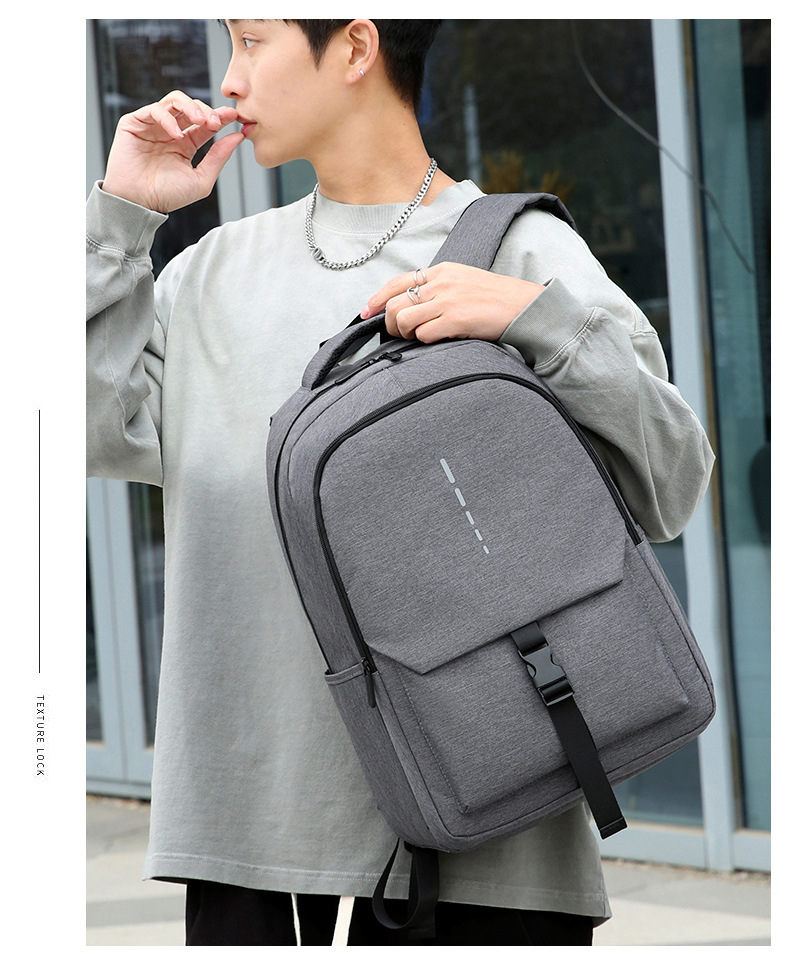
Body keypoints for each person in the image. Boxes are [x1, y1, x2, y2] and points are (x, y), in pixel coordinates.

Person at [86, 19, 715, 947]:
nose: (229, 79)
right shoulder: (208, 274)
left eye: (252, 41)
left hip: (484, 849)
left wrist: (538, 322)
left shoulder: (519, 253)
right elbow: (87, 432)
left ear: (353, 48)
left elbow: (673, 480)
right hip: (247, 846)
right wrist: (120, 218)